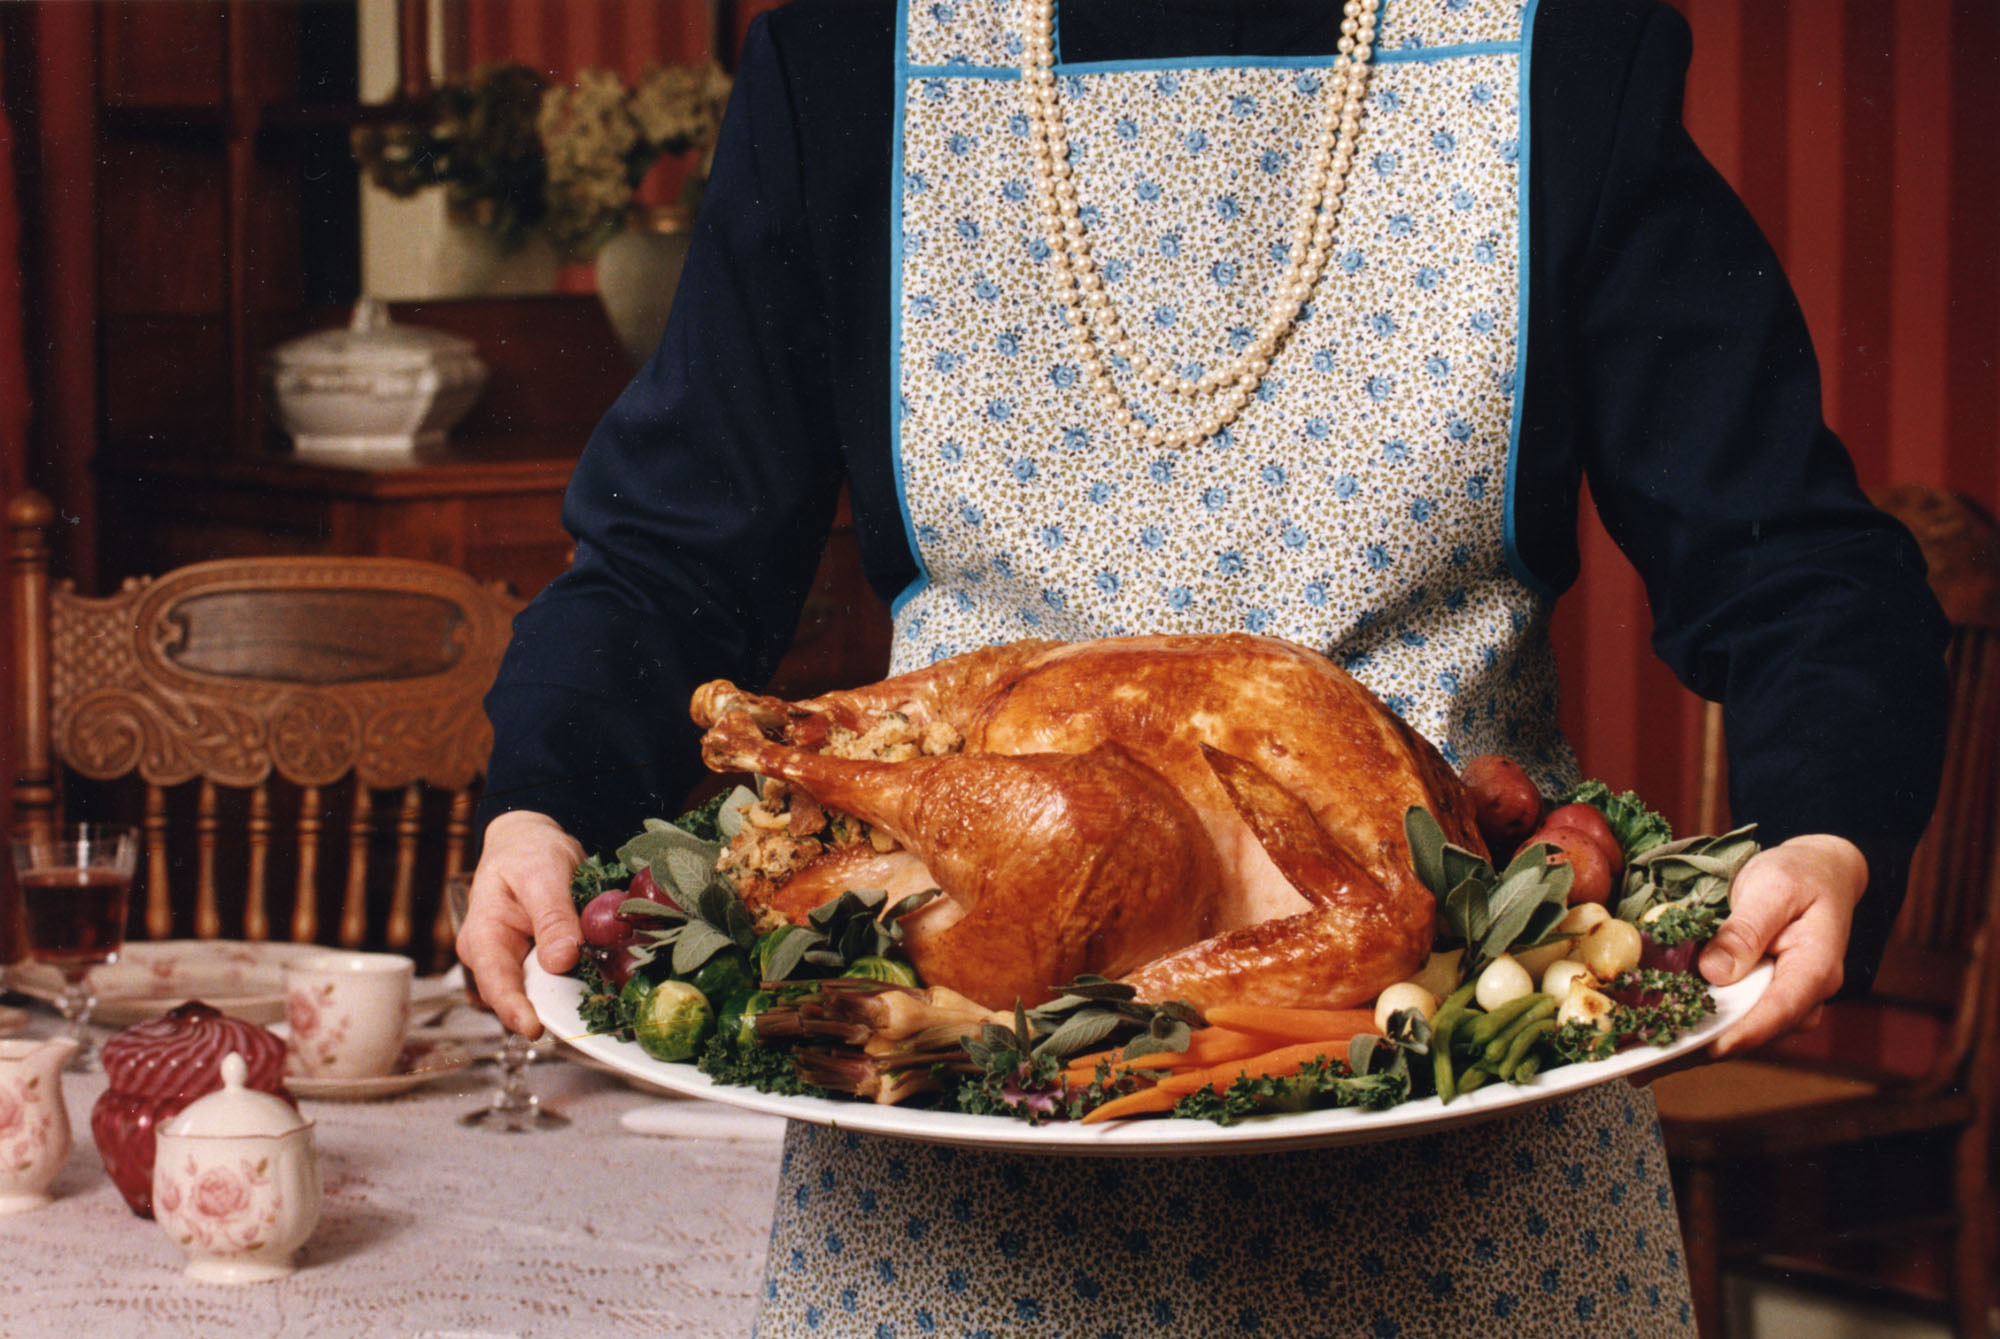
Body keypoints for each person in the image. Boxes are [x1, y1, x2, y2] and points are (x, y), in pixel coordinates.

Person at [457, 0, 1950, 1332]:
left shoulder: (1555, 51)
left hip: (1462, 1150)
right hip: (959, 1194)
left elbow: (1790, 561)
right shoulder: (848, 62)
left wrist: (1827, 826)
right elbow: (667, 561)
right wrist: (547, 797)